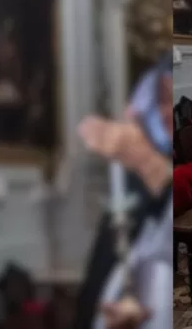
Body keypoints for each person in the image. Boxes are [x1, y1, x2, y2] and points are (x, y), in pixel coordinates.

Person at [73, 55, 174, 329]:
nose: (167, 113)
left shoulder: (152, 163)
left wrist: (145, 160)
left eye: (172, 100)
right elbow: (113, 260)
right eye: (161, 101)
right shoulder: (132, 178)